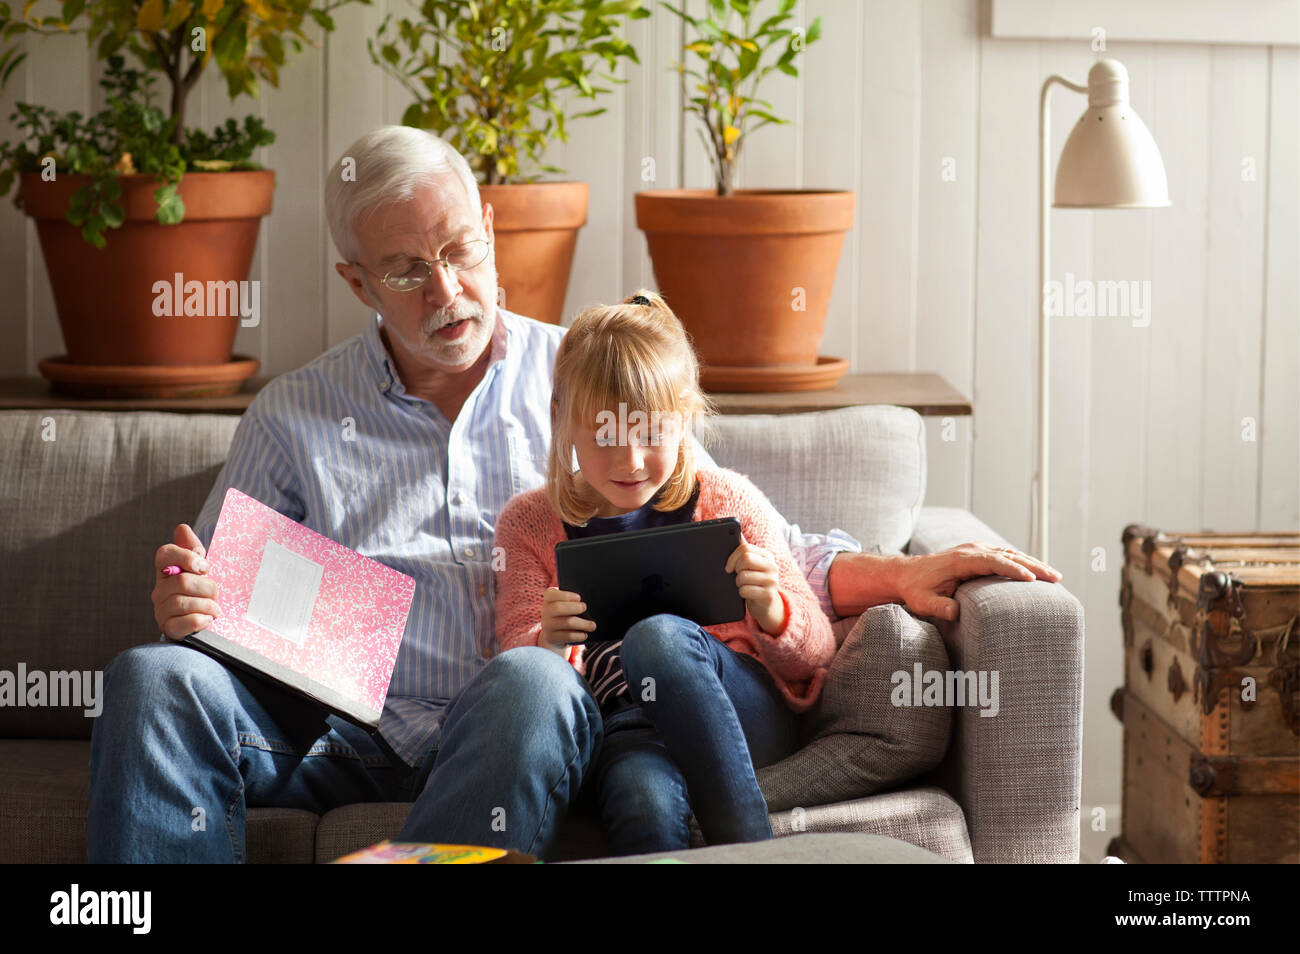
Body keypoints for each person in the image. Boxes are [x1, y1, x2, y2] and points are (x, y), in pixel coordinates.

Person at [86, 125, 1061, 863]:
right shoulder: (295, 414)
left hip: (522, 713)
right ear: (355, 280)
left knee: (531, 674)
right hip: (344, 727)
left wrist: (904, 571)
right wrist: (186, 605)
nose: (447, 290)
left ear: (492, 232)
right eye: (405, 270)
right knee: (148, 676)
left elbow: (737, 537)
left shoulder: (587, 377)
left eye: (461, 250)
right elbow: (211, 595)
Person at [493, 290, 837, 853]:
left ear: (685, 422)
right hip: (626, 732)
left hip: (737, 712)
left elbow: (817, 652)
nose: (630, 459)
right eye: (606, 435)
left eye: (651, 433)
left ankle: (751, 852)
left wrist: (773, 610)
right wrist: (546, 643)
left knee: (658, 637)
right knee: (642, 799)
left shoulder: (726, 499)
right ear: (562, 421)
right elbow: (522, 681)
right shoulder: (528, 525)